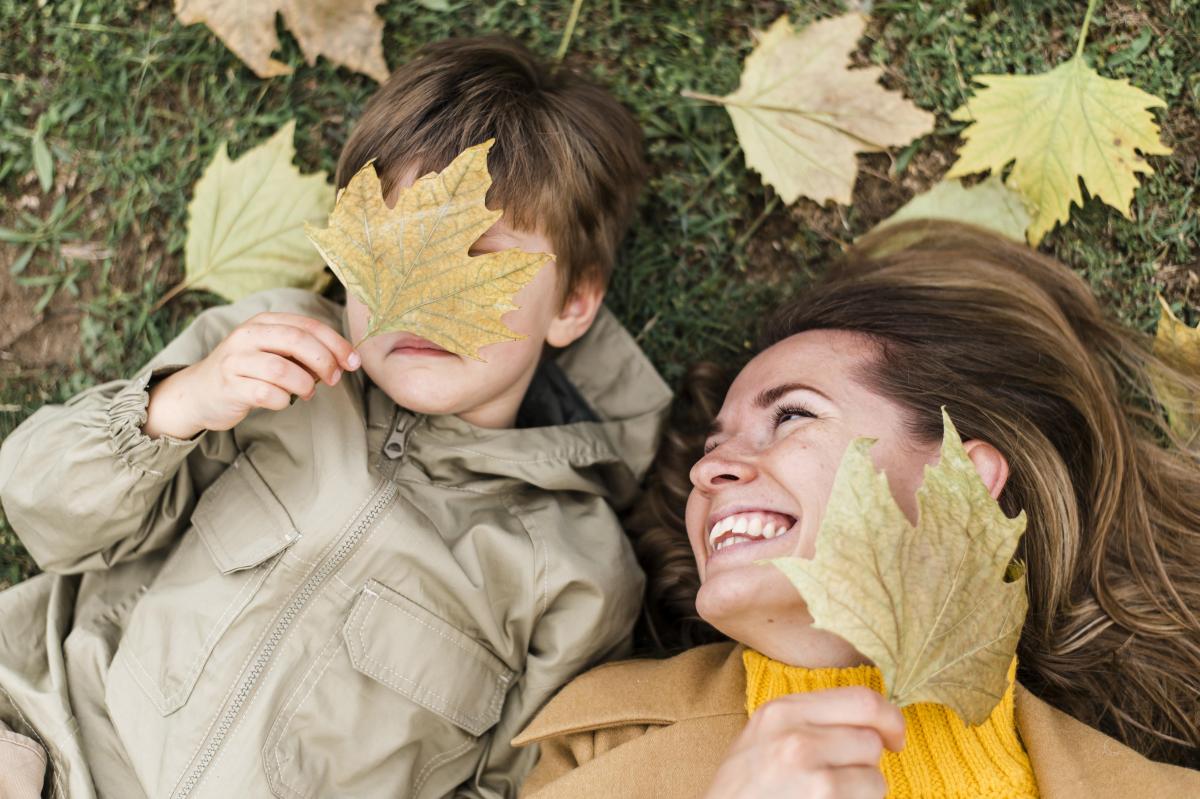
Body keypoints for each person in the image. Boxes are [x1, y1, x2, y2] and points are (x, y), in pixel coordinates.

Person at [0, 36, 670, 799]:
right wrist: (178, 403)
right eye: (392, 242)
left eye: (482, 257)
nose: (426, 295)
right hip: (55, 749)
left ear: (574, 302)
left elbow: (518, 781)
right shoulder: (265, 361)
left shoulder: (576, 571)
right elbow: (41, 511)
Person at [513, 221, 1200, 798]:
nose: (705, 469)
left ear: (957, 477)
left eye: (790, 416)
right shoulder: (589, 740)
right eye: (713, 445)